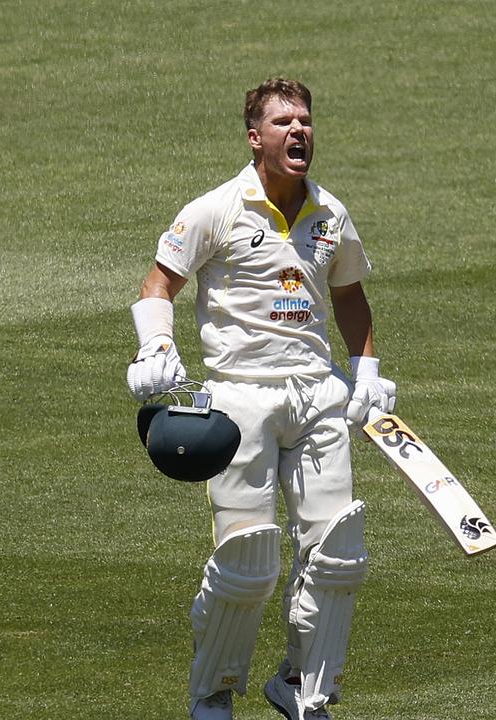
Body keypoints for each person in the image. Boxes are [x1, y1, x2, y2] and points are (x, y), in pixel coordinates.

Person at [126, 77, 396, 720]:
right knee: (246, 561)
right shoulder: (215, 209)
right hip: (238, 399)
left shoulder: (330, 213)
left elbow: (350, 294)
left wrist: (367, 374)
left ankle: (304, 689)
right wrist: (154, 349)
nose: (299, 130)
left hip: (318, 393)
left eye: (305, 120)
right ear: (255, 138)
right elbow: (158, 284)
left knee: (338, 554)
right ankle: (212, 697)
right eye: (284, 123)